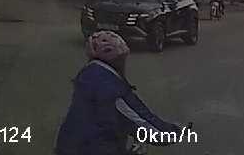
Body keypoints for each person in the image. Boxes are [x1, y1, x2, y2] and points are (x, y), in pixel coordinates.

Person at [54, 31, 186, 154]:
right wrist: (178, 131)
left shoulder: (89, 76)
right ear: (117, 59)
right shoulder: (113, 90)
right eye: (123, 59)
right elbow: (149, 127)